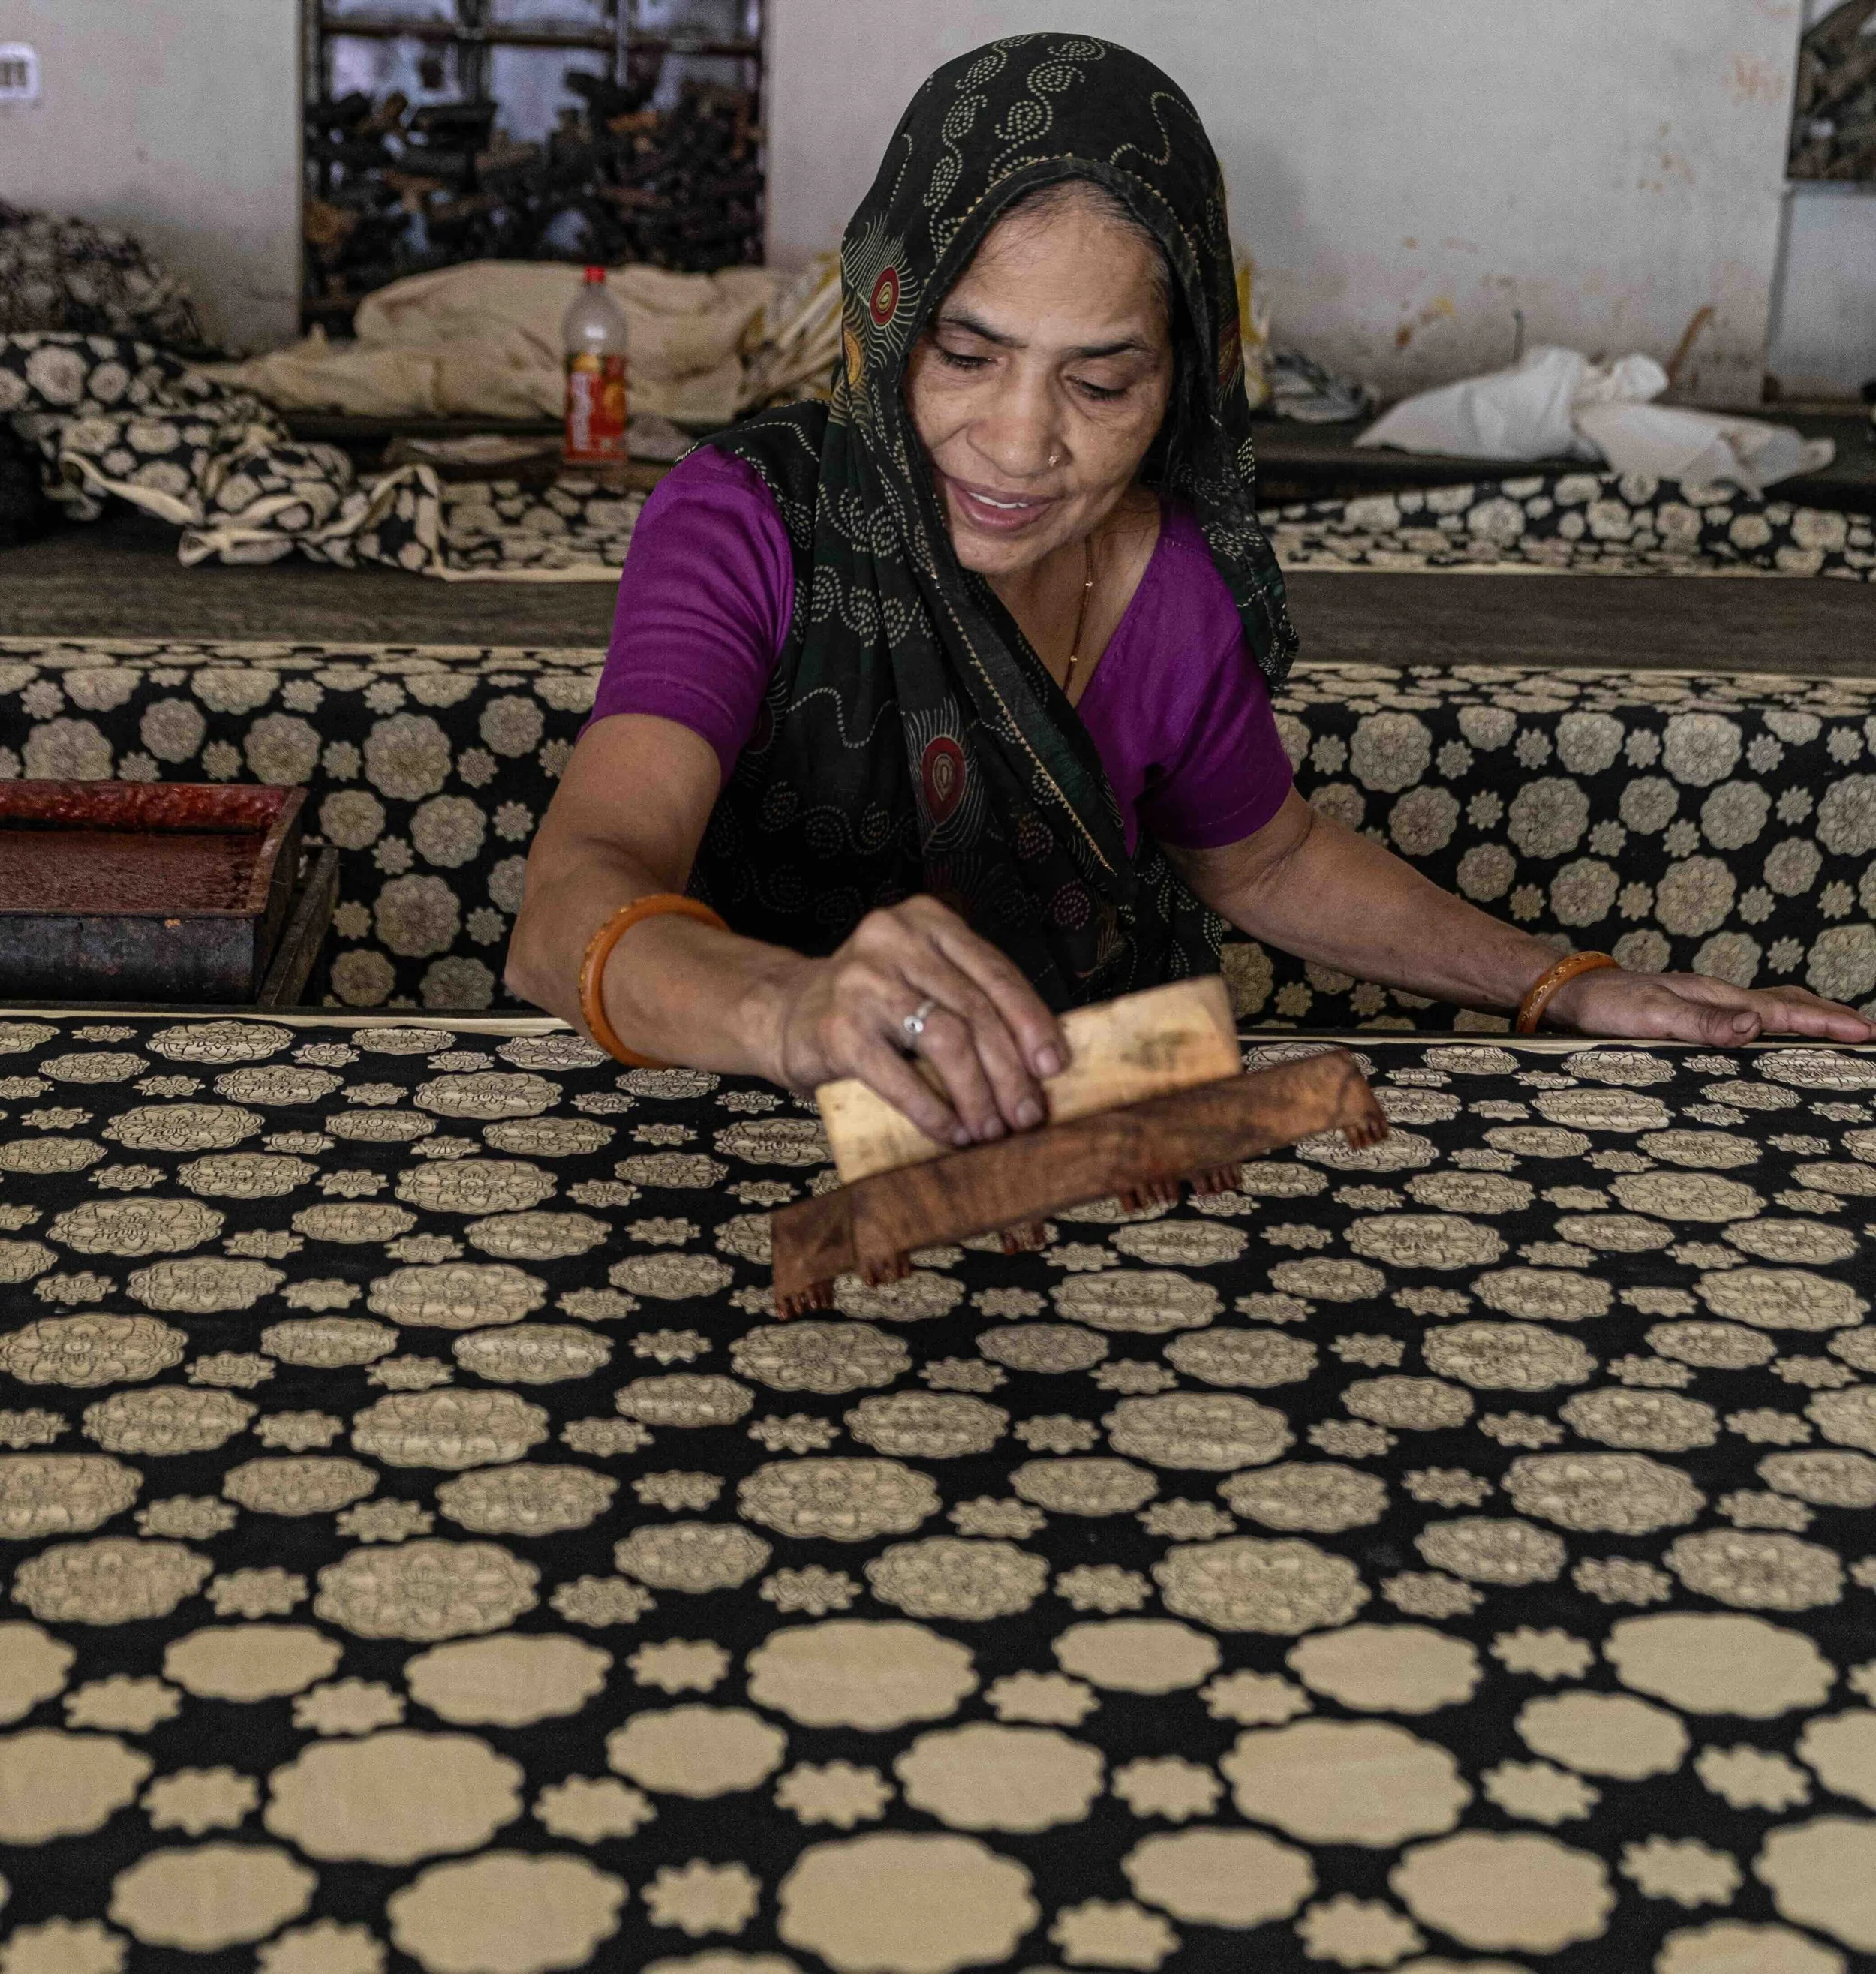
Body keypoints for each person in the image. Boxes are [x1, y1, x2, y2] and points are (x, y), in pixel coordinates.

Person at [507, 34, 1872, 1151]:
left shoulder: (1168, 578)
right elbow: (571, 901)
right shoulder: (755, 523)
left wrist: (1559, 978)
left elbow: (1263, 854)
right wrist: (800, 1012)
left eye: (1100, 382)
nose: (1022, 440)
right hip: (749, 1131)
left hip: (1092, 1121)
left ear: (1183, 381)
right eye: (967, 355)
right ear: (883, 315)